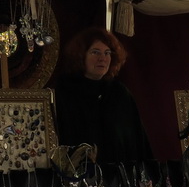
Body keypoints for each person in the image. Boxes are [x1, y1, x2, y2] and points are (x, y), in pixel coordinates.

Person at [54, 26, 153, 163]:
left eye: (107, 53)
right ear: (81, 55)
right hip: (79, 172)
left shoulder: (119, 93)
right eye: (95, 52)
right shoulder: (65, 91)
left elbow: (136, 140)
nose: (102, 58)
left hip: (118, 171)